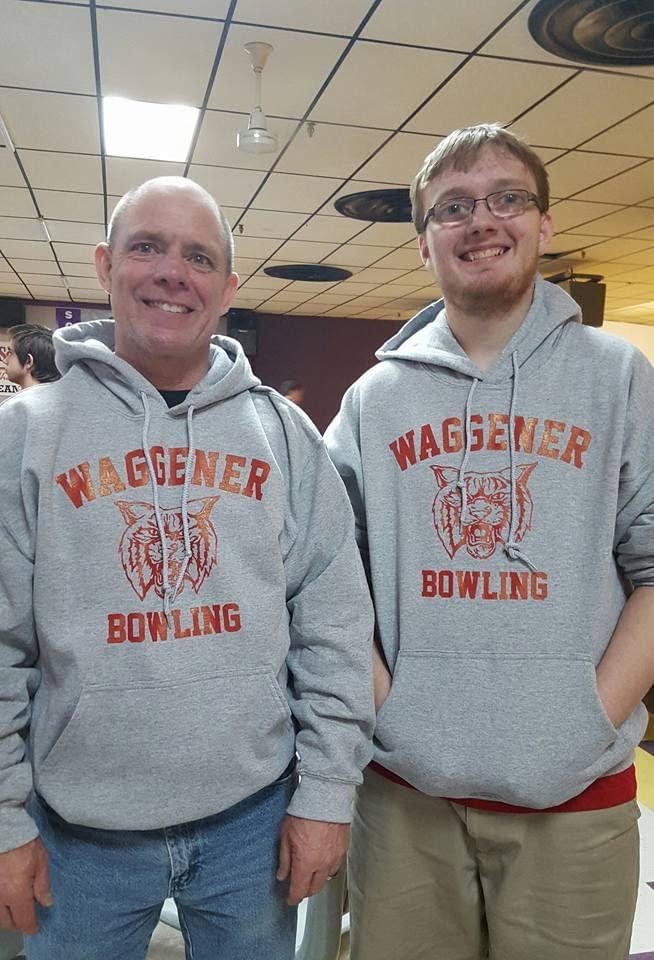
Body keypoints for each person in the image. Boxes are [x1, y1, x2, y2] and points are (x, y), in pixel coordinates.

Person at [0, 176, 374, 960]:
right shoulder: (26, 435)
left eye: (198, 257)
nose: (173, 272)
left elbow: (334, 626)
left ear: (228, 288)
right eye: (147, 247)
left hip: (255, 822)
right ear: (106, 265)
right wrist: (4, 820)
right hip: (78, 833)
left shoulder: (283, 434)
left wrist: (327, 796)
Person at [325, 124, 654, 960]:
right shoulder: (373, 399)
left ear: (544, 226)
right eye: (453, 207)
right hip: (404, 801)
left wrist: (589, 716)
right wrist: (390, 711)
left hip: (575, 801)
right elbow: (325, 578)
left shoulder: (617, 376)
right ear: (425, 241)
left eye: (508, 198)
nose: (482, 221)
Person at [4, 323, 60, 388]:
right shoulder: (59, 396)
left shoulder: (25, 398)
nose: (5, 360)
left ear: (28, 361)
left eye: (10, 353)